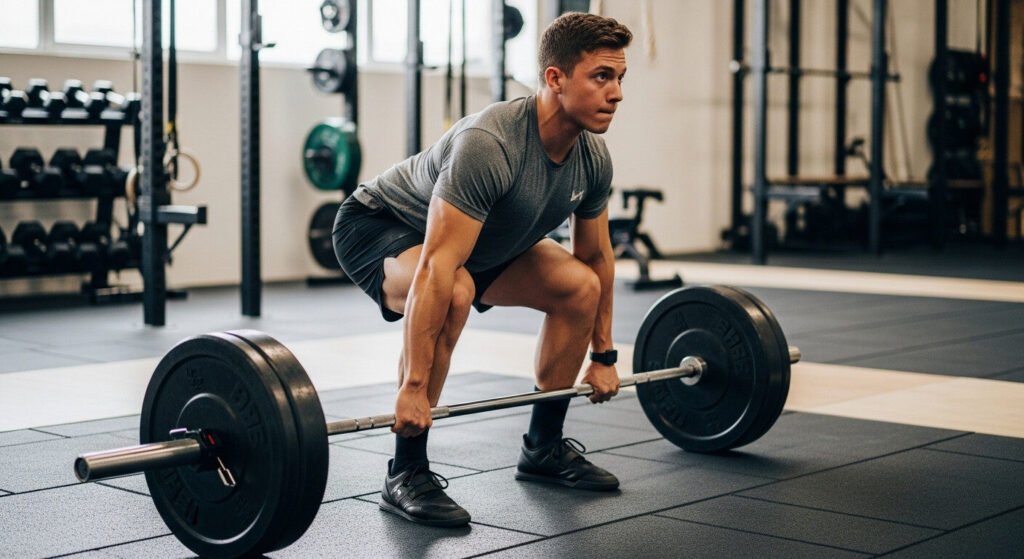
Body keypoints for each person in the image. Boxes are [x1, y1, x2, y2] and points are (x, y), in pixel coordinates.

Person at [333, 12, 632, 528]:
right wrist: (412, 389)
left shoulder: (593, 157)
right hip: (382, 225)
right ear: (555, 79)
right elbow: (436, 266)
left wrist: (603, 354)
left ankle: (543, 449)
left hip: (485, 239)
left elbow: (596, 258)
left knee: (577, 287)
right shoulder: (491, 143)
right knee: (455, 290)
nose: (617, 93)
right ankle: (405, 471)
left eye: (620, 78)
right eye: (601, 76)